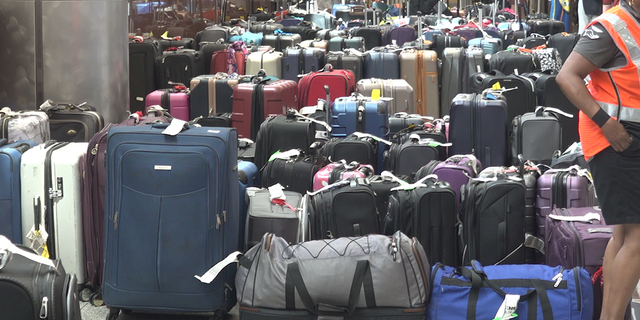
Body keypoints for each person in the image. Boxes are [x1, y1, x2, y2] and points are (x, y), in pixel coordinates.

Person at [556, 0, 640, 318]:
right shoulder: (611, 26)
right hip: (614, 138)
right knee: (637, 237)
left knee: (624, 234)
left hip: (627, 137)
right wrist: (607, 124)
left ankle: (610, 314)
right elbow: (567, 76)